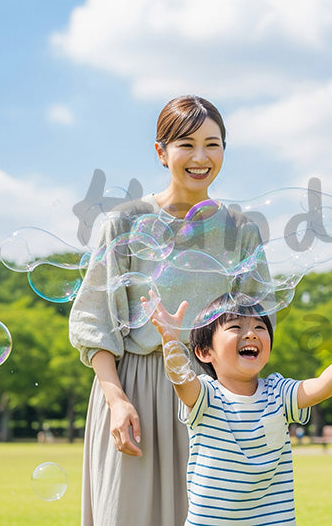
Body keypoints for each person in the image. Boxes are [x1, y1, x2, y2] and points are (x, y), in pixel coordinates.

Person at [69, 95, 267, 526]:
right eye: (186, 144)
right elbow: (94, 322)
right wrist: (116, 399)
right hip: (135, 387)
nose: (201, 157)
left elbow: (255, 327)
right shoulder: (123, 223)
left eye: (213, 145)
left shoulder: (240, 230)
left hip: (213, 395)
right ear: (161, 152)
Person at [144, 291, 332, 525]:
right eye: (235, 327)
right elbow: (182, 382)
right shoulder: (206, 394)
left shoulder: (278, 392)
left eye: (260, 327)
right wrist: (171, 341)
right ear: (205, 352)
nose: (251, 334)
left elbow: (320, 387)